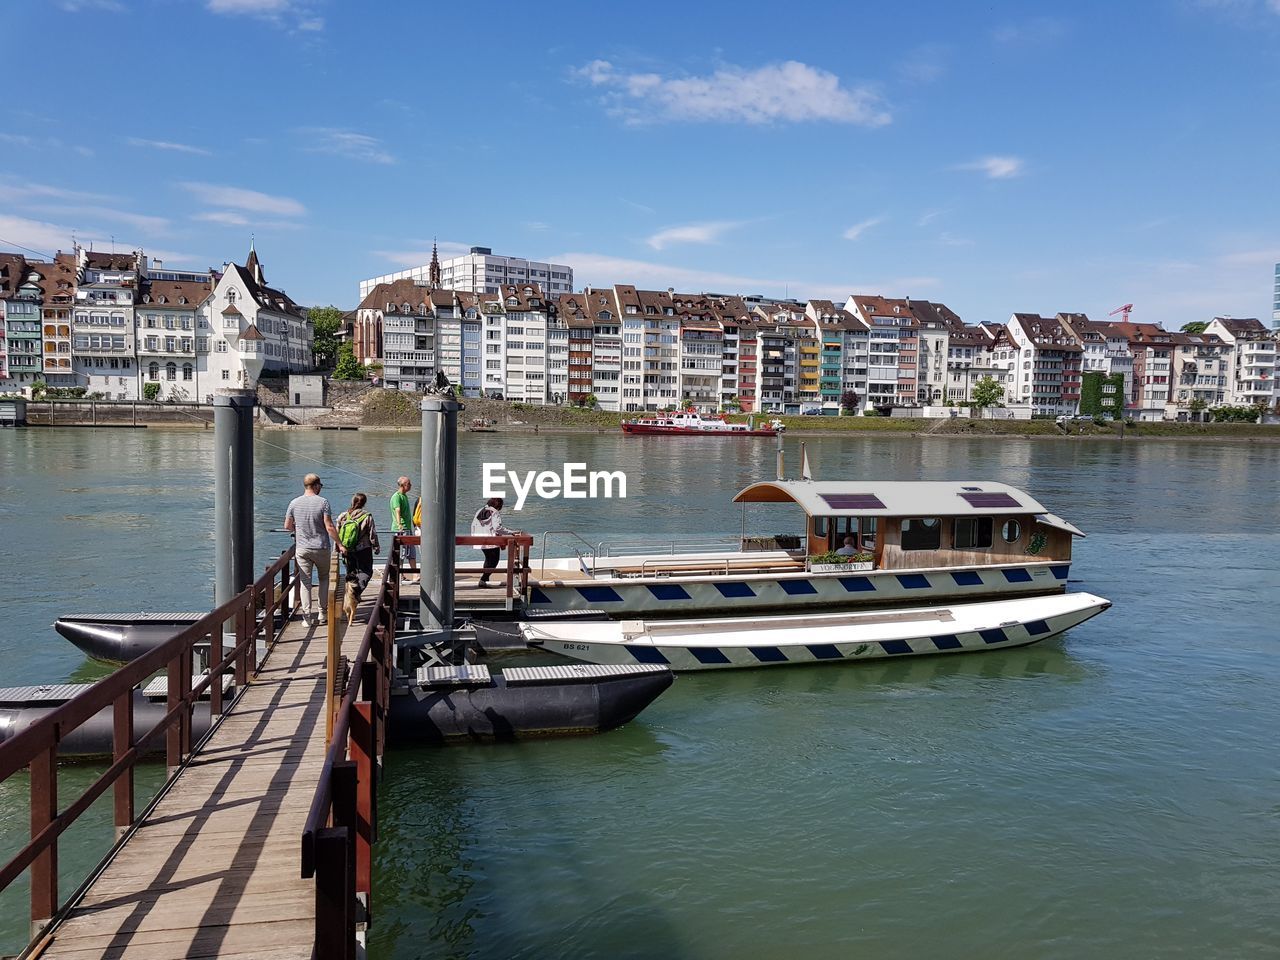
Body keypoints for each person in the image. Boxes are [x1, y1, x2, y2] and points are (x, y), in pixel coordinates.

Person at [284, 473, 344, 627]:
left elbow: (287, 526)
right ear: (316, 486)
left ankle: (307, 617)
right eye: (320, 486)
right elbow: (329, 526)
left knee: (305, 582)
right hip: (321, 547)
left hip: (302, 548)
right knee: (324, 578)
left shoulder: (294, 503)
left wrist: (298, 528)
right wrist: (340, 543)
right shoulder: (323, 502)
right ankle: (323, 614)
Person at [336, 492, 380, 603]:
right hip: (363, 549)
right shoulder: (367, 516)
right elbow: (372, 534)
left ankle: (352, 594)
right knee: (366, 571)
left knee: (351, 573)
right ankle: (355, 593)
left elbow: (337, 533)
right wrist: (376, 547)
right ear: (364, 503)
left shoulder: (343, 516)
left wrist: (337, 548)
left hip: (347, 549)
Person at [471, 497, 515, 588]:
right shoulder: (494, 512)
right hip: (492, 540)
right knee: (494, 560)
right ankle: (483, 579)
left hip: (480, 540)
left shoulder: (480, 510)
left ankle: (484, 580)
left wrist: (474, 538)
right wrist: (511, 532)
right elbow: (497, 528)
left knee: (488, 559)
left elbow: (473, 525)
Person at [390, 476, 416, 566]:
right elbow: (397, 510)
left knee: (411, 552)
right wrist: (399, 525)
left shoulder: (404, 496)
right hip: (402, 529)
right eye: (409, 484)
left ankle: (415, 574)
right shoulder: (396, 497)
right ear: (403, 485)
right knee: (401, 553)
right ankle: (398, 574)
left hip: (407, 529)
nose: (410, 485)